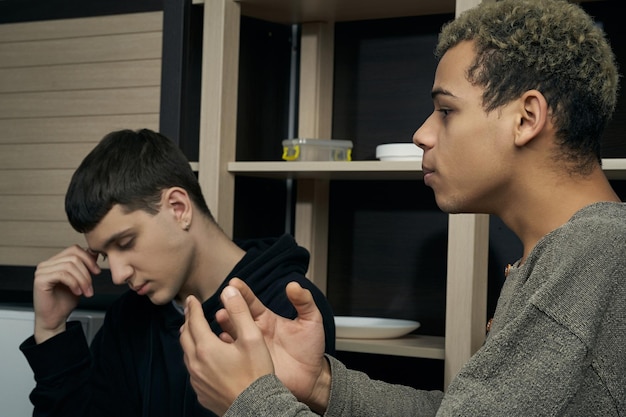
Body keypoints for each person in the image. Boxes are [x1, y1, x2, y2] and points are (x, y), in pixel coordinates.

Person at [179, 0, 626, 415]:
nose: (421, 134)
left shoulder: (593, 254)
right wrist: (319, 383)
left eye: (446, 111)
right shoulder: (580, 253)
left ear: (527, 118)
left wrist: (251, 400)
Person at [18, 128, 336, 417]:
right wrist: (50, 331)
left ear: (178, 208)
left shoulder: (288, 312)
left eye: (125, 242)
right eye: (104, 255)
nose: (116, 275)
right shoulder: (127, 318)